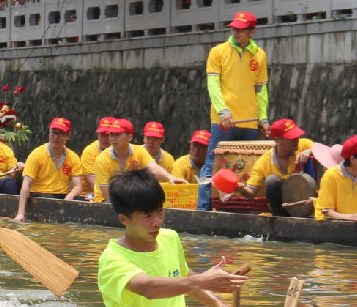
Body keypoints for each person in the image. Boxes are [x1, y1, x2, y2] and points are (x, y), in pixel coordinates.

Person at [98, 169, 251, 307]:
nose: (157, 221)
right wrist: (203, 280)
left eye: (159, 211)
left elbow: (186, 279)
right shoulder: (112, 258)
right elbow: (148, 288)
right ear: (124, 219)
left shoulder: (170, 238)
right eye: (147, 216)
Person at [198, 11, 269, 209]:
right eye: (234, 29)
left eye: (241, 30)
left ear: (252, 31)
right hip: (224, 121)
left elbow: (261, 90)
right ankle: (203, 208)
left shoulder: (260, 55)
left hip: (249, 122)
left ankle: (240, 209)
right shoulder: (218, 52)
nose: (236, 33)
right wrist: (223, 111)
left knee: (247, 169)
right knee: (213, 164)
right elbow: (213, 86)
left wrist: (263, 119)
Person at [237, 117, 316, 215]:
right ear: (278, 140)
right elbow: (251, 192)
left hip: (307, 205)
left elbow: (327, 151)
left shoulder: (304, 144)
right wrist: (242, 189)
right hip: (281, 209)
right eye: (292, 138)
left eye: (297, 136)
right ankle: (280, 219)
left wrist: (310, 151)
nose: (297, 140)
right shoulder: (263, 162)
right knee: (272, 181)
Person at [94, 118, 182, 202]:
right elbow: (107, 194)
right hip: (104, 202)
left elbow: (152, 167)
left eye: (117, 134)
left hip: (132, 200)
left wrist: (169, 177)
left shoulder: (139, 151)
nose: (113, 138)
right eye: (111, 134)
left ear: (130, 137)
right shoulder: (102, 159)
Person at [14, 117, 85, 221]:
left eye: (60, 134)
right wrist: (20, 214)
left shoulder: (73, 157)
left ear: (68, 136)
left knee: (82, 201)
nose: (56, 137)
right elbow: (26, 185)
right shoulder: (36, 154)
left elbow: (78, 186)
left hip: (62, 196)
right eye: (53, 133)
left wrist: (71, 195)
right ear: (49, 134)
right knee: (49, 200)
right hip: (39, 195)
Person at [80, 118, 115, 197]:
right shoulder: (89, 152)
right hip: (89, 195)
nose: (104, 139)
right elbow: (93, 183)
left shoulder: (121, 151)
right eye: (101, 135)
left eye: (107, 135)